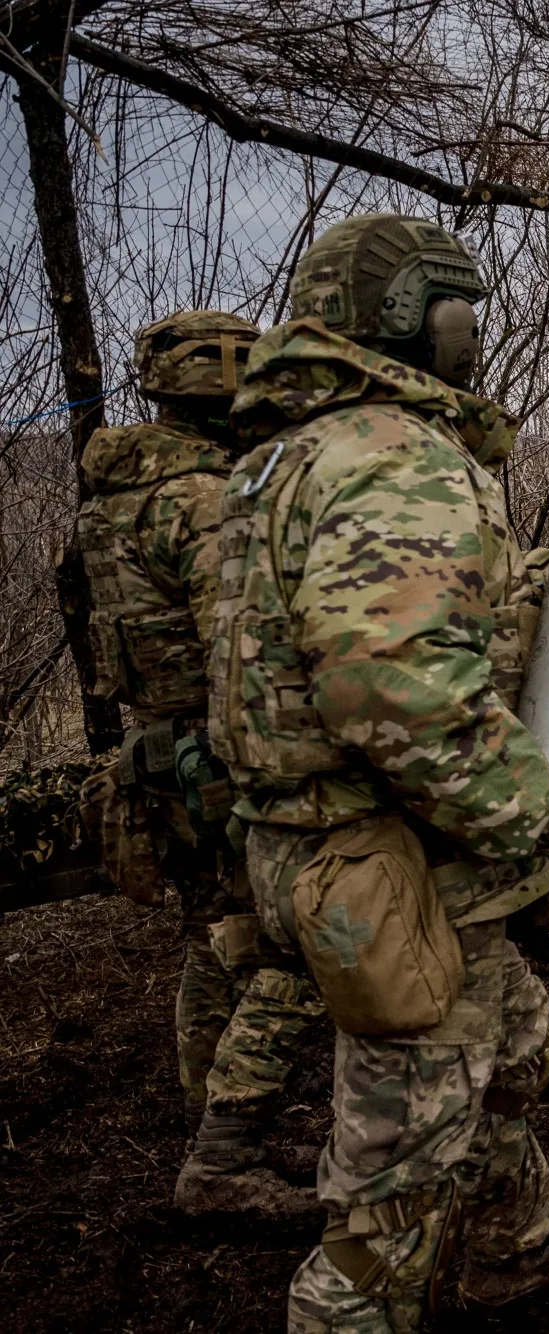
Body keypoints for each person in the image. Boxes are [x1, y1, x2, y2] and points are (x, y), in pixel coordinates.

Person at [210, 213, 549, 1327]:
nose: (476, 331)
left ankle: (512, 1244)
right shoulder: (395, 454)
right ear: (416, 313)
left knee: (506, 1041)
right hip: (395, 855)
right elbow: (390, 682)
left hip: (312, 841)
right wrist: (546, 811)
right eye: (465, 306)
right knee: (398, 1159)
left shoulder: (279, 455)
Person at [72, 310, 325, 1215]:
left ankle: (212, 1118)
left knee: (212, 943)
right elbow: (248, 642)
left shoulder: (106, 502)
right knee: (293, 944)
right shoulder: (207, 500)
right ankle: (223, 1156)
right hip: (221, 753)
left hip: (156, 752)